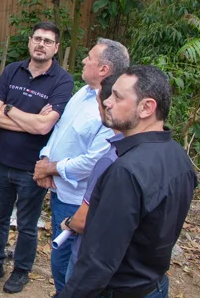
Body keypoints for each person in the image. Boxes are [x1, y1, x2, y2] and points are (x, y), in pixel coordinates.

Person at [59, 65, 198, 298]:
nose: (106, 102)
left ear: (146, 108)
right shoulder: (178, 155)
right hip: (154, 285)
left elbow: (99, 261)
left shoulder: (125, 171)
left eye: (117, 96)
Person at [0, 22, 73, 293]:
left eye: (47, 41)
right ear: (30, 41)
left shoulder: (62, 80)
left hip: (33, 167)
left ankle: (21, 271)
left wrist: (9, 109)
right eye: (37, 38)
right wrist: (31, 120)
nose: (41, 44)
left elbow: (44, 127)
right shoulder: (12, 70)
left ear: (56, 48)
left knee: (27, 225)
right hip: (2, 161)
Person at [33, 38, 129, 292]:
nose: (84, 61)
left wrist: (52, 168)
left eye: (89, 57)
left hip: (80, 201)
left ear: (104, 69)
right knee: (59, 261)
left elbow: (95, 161)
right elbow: (60, 131)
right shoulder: (82, 93)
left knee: (73, 266)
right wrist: (45, 159)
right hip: (60, 191)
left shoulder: (110, 109)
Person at [60, 73, 122, 281]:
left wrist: (69, 223)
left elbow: (83, 220)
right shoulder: (173, 155)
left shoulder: (110, 159)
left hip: (93, 263)